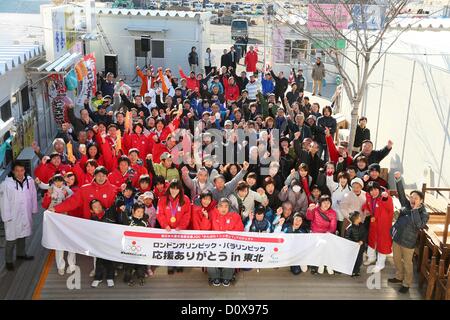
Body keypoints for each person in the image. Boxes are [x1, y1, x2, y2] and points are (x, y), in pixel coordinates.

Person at [389, 171, 429, 294]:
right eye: (411, 197)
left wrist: (415, 210)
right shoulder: (406, 205)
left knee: (407, 264)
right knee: (396, 260)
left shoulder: (424, 214)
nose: (412, 199)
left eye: (416, 198)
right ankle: (399, 277)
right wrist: (398, 179)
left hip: (408, 242)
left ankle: (406, 283)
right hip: (397, 238)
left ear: (421, 201)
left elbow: (419, 225)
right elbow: (401, 194)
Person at [0, 162, 38, 271]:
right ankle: (8, 261)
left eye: (22, 170)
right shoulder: (6, 185)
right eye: (17, 170)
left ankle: (21, 254)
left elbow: (33, 194)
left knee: (23, 234)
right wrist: (6, 217)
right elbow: (3, 202)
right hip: (12, 215)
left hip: (25, 212)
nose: (20, 173)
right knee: (11, 239)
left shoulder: (29, 181)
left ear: (24, 170)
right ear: (13, 171)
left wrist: (33, 208)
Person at [36, 174, 76, 275]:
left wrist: (67, 196)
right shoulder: (51, 188)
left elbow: (74, 195)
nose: (59, 183)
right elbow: (44, 203)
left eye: (73, 179)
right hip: (54, 214)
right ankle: (60, 266)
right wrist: (47, 194)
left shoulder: (69, 189)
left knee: (71, 242)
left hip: (69, 217)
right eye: (68, 178)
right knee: (58, 242)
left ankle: (72, 265)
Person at [203, 198, 244, 287]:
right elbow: (206, 230)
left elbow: (240, 229)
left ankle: (227, 277)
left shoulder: (235, 216)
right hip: (214, 245)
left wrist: (228, 237)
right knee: (210, 255)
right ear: (217, 207)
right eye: (221, 206)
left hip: (229, 245)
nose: (223, 208)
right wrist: (206, 219)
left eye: (226, 206)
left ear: (229, 207)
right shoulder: (212, 214)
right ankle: (214, 277)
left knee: (230, 255)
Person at [52, 166, 119, 220]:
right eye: (98, 175)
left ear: (106, 176)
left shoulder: (113, 189)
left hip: (106, 222)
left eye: (103, 175)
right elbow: (72, 202)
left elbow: (119, 204)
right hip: (88, 223)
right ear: (94, 176)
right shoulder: (85, 189)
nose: (101, 178)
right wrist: (56, 208)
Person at [156, 179, 191, 274]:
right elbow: (160, 214)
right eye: (172, 188)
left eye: (176, 188)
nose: (174, 190)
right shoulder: (163, 199)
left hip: (180, 229)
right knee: (169, 247)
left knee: (180, 247)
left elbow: (187, 215)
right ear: (169, 188)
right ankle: (170, 265)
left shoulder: (185, 199)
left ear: (180, 189)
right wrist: (165, 225)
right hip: (168, 230)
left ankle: (179, 264)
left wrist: (181, 226)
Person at [362, 181, 394, 273]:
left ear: (379, 190)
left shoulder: (384, 197)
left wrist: (386, 197)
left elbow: (388, 203)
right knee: (372, 241)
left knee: (382, 244)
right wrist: (365, 209)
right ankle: (371, 258)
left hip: (383, 225)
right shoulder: (370, 198)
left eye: (375, 189)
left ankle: (380, 264)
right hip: (373, 224)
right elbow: (367, 205)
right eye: (371, 190)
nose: (373, 192)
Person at [89, 199, 118, 288]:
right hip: (99, 243)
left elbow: (116, 203)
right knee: (99, 261)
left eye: (99, 205)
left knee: (110, 260)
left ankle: (110, 277)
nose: (98, 208)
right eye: (95, 207)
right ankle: (98, 277)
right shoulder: (92, 219)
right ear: (91, 210)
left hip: (110, 242)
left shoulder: (109, 213)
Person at [306, 195, 337, 274]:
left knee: (327, 247)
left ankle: (324, 265)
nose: (326, 204)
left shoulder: (333, 213)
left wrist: (328, 234)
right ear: (320, 203)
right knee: (315, 249)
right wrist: (310, 210)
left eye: (328, 202)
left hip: (326, 234)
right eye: (324, 202)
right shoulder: (315, 210)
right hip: (315, 233)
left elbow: (333, 226)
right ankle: (314, 266)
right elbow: (309, 218)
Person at [122, 203, 148, 286]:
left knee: (141, 263)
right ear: (133, 211)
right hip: (129, 246)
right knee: (129, 264)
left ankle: (141, 277)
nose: (140, 213)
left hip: (140, 246)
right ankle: (128, 278)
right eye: (138, 211)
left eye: (142, 212)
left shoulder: (144, 222)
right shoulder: (128, 219)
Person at [345, 211, 367, 277]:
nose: (360, 217)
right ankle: (352, 270)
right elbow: (347, 237)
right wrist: (354, 243)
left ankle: (357, 270)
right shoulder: (350, 228)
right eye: (359, 217)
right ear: (356, 219)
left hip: (361, 247)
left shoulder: (362, 226)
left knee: (359, 259)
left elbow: (365, 234)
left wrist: (362, 241)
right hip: (353, 248)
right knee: (353, 259)